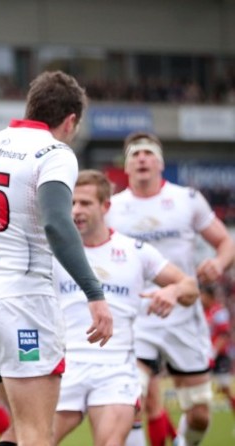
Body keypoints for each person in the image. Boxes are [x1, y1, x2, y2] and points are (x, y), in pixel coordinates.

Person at [0, 70, 113, 446]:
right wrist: (95, 293)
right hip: (22, 300)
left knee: (18, 428)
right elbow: (58, 224)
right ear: (70, 120)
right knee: (37, 433)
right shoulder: (55, 152)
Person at [106, 131, 235, 446]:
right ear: (127, 165)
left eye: (148, 152)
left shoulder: (186, 199)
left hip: (183, 315)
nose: (141, 158)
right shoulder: (113, 208)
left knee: (200, 413)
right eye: (134, 153)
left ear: (160, 162)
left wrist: (219, 263)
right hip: (136, 317)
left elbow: (225, 242)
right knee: (131, 400)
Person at [52, 169, 199, 446]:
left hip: (115, 368)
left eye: (85, 203)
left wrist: (173, 290)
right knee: (35, 440)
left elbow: (190, 286)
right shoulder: (53, 252)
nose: (76, 211)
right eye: (71, 203)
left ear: (106, 206)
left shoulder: (134, 250)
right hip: (64, 365)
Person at [200, 283, 235, 419]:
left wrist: (213, 352)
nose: (201, 298)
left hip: (219, 356)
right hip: (203, 356)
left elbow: (223, 334)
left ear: (210, 296)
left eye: (203, 295)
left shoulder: (219, 312)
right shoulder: (201, 311)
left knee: (224, 388)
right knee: (201, 388)